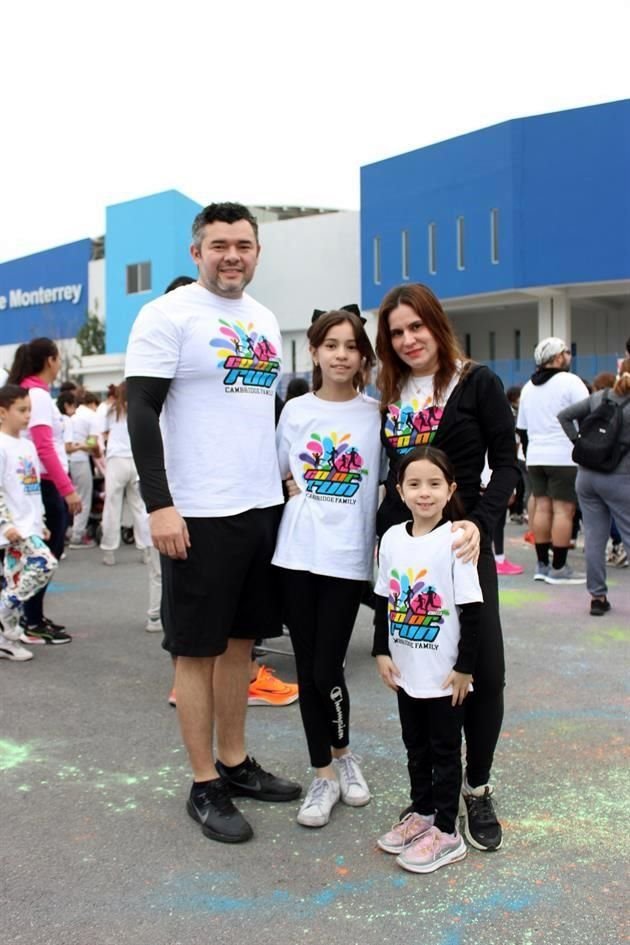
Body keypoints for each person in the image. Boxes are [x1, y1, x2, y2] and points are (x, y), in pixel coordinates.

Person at [125, 202, 301, 845]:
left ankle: (235, 763)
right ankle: (204, 785)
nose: (233, 255)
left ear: (257, 252)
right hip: (196, 514)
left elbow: (260, 412)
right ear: (196, 252)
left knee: (239, 649)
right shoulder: (167, 315)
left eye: (245, 245)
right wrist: (159, 503)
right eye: (220, 244)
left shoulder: (262, 318)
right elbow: (140, 411)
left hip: (258, 509)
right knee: (195, 653)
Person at [375, 283, 518, 852]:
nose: (409, 340)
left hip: (461, 546)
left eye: (417, 326)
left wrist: (479, 523)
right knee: (418, 671)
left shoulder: (475, 382)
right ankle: (431, 797)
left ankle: (475, 788)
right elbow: (392, 479)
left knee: (481, 671)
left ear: (436, 325)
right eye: (396, 332)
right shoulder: (389, 394)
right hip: (408, 550)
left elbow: (507, 463)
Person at [272, 308, 380, 827]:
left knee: (324, 669)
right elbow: (273, 474)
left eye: (351, 345)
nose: (341, 354)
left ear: (363, 357)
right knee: (309, 665)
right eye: (330, 344)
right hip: (295, 556)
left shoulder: (376, 415)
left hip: (346, 560)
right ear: (313, 351)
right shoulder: (294, 411)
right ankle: (324, 775)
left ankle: (344, 755)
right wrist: (287, 486)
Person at [373, 446, 483, 873]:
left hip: (443, 677)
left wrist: (464, 669)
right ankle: (421, 812)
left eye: (434, 484)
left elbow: (472, 610)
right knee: (414, 746)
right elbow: (384, 599)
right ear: (399, 490)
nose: (424, 493)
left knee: (443, 750)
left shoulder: (456, 540)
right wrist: (381, 651)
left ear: (450, 489)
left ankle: (446, 830)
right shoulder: (392, 539)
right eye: (414, 484)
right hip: (406, 672)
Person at [7, 338, 81, 643]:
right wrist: (67, 490)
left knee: (42, 552)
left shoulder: (34, 392)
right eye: (59, 358)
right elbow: (43, 446)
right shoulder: (36, 394)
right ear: (50, 360)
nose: (61, 363)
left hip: (43, 483)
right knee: (45, 554)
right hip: (47, 483)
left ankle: (31, 615)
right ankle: (29, 619)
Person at [557, 358, 630, 616]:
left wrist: (579, 442)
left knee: (595, 539)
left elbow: (564, 416)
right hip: (620, 477)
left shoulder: (601, 396)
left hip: (586, 476)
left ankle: (597, 598)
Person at [516, 338, 589, 585]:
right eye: (566, 352)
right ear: (557, 358)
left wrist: (530, 452)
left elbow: (522, 429)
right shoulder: (571, 382)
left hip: (536, 456)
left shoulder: (527, 388)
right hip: (564, 455)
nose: (569, 356)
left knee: (542, 507)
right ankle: (559, 567)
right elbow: (587, 415)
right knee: (563, 510)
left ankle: (542, 565)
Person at [0, 385, 58, 661]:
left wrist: (41, 521)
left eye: (30, 410)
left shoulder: (27, 445)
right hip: (13, 528)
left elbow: (33, 488)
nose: (28, 416)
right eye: (21, 410)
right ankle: (3, 611)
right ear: (2, 413)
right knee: (45, 562)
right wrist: (4, 525)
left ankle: (6, 640)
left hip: (29, 525)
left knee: (12, 578)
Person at [97, 382, 151, 566]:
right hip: (136, 459)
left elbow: (103, 433)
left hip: (116, 460)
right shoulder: (142, 407)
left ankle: (109, 550)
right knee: (139, 506)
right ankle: (146, 549)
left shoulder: (110, 411)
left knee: (112, 506)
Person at [68, 391, 101, 549]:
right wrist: (95, 452)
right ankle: (78, 535)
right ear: (93, 403)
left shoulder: (73, 415)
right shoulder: (92, 417)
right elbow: (92, 442)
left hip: (65, 460)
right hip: (80, 459)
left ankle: (68, 531)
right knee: (83, 497)